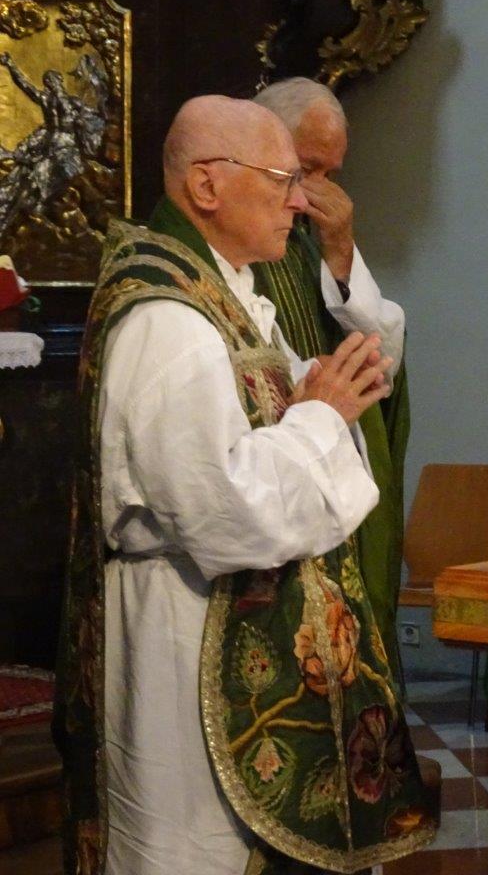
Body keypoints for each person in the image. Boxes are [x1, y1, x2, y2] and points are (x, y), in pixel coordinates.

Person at [54, 96, 433, 875]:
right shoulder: (167, 320)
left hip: (221, 626)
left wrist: (318, 395)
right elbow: (226, 513)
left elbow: (271, 430)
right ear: (206, 185)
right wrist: (322, 414)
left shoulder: (221, 295)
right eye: (283, 178)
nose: (300, 200)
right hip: (184, 635)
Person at [251, 77, 408, 663]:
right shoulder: (237, 236)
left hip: (332, 448)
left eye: (329, 173)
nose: (313, 189)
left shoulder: (312, 238)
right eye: (305, 167)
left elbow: (383, 352)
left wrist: (340, 249)